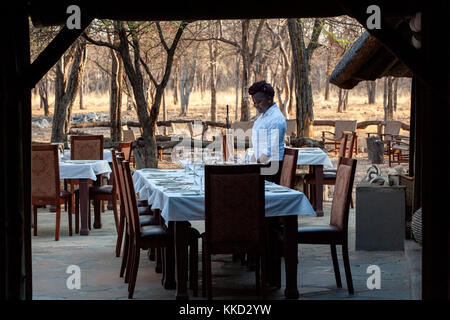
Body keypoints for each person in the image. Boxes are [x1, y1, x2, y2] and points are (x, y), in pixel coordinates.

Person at [248, 80, 286, 184]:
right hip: (262, 164)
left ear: (269, 99)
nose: (256, 105)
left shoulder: (276, 119)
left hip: (271, 168)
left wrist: (254, 167)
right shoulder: (263, 116)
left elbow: (270, 150)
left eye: (259, 102)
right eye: (254, 102)